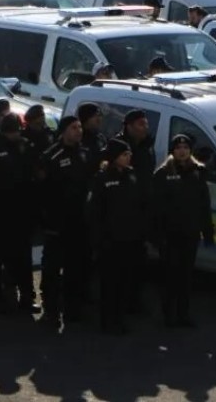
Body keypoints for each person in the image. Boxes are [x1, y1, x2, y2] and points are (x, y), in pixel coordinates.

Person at [151, 134, 214, 328]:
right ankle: (168, 315)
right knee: (170, 276)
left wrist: (208, 231)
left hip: (190, 233)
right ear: (173, 151)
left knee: (186, 276)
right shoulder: (163, 173)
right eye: (178, 148)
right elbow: (155, 208)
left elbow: (204, 204)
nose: (182, 151)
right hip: (169, 235)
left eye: (186, 148)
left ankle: (183, 314)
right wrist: (156, 235)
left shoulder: (198, 171)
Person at [37, 115, 93, 330]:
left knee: (75, 269)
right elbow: (41, 191)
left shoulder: (85, 153)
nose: (78, 131)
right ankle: (51, 311)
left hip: (79, 223)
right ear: (63, 131)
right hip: (56, 224)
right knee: (51, 270)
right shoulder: (51, 156)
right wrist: (47, 219)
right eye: (73, 127)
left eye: (79, 127)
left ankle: (72, 309)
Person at [0, 114, 37, 314]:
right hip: (0, 213)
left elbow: (33, 176)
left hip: (22, 211)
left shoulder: (26, 146)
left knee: (23, 257)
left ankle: (27, 296)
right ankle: (0, 297)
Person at [88, 139, 144, 335]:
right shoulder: (102, 179)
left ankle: (120, 318)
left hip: (129, 239)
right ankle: (108, 320)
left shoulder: (131, 176)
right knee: (109, 283)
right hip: (110, 240)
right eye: (124, 155)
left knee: (124, 282)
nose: (128, 158)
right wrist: (98, 239)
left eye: (129, 154)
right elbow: (94, 212)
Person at [114, 109, 157, 315]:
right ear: (129, 126)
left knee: (139, 261)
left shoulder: (147, 146)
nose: (145, 128)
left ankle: (135, 301)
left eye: (146, 124)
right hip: (123, 214)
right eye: (141, 124)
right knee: (121, 263)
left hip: (143, 213)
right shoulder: (119, 147)